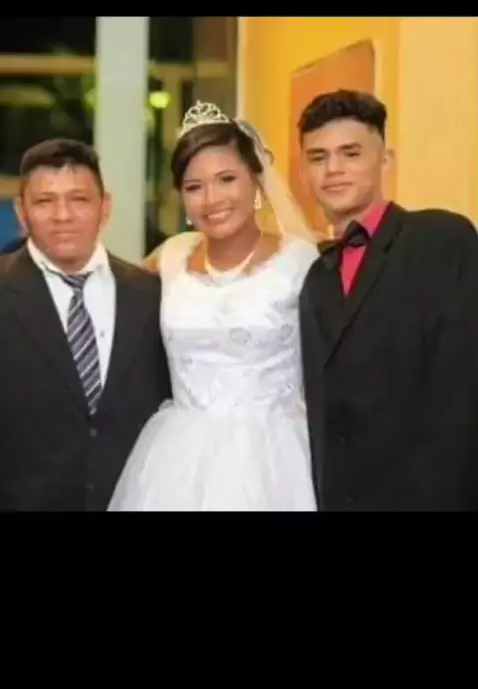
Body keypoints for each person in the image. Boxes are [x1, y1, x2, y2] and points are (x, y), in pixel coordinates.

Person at [109, 101, 319, 511]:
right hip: (178, 459)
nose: (212, 198)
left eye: (227, 179)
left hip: (275, 458)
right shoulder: (171, 256)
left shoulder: (299, 261)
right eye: (194, 187)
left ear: (256, 181)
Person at [298, 88, 478, 511]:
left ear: (385, 161)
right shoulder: (315, 275)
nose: (333, 169)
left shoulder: (441, 239)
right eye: (318, 157)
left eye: (351, 153)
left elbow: (464, 388)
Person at [0, 139, 171, 511]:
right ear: (21, 212)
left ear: (105, 207)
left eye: (78, 199)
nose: (62, 215)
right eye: (44, 202)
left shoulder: (150, 294)